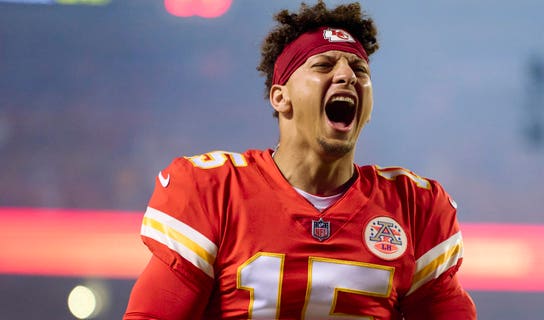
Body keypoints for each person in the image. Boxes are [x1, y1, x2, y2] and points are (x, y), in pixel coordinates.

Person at [124, 1, 476, 319]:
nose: (347, 75)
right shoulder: (214, 190)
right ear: (281, 97)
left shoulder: (415, 206)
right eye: (323, 64)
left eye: (359, 70)